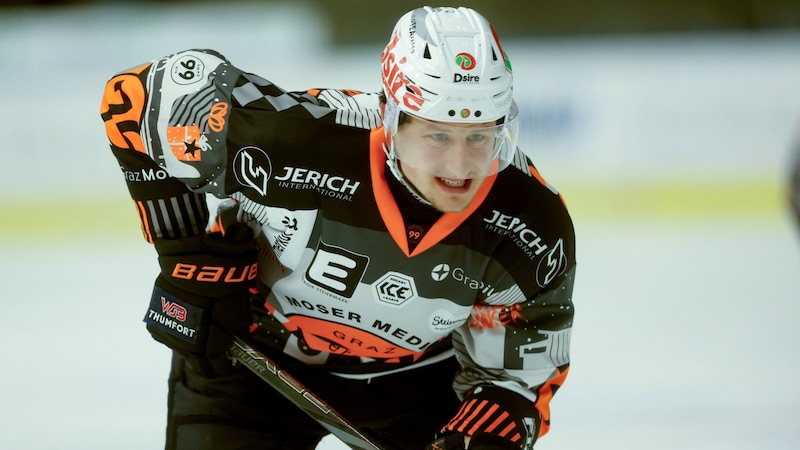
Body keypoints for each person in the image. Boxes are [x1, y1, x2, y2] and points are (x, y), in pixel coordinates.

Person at [99, 6, 576, 450]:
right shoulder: (295, 137)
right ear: (393, 120)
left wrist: (483, 437)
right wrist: (186, 255)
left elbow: (519, 374)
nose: (461, 165)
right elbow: (136, 98)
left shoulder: (531, 225)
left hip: (419, 388)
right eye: (437, 134)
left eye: (480, 136)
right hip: (250, 361)